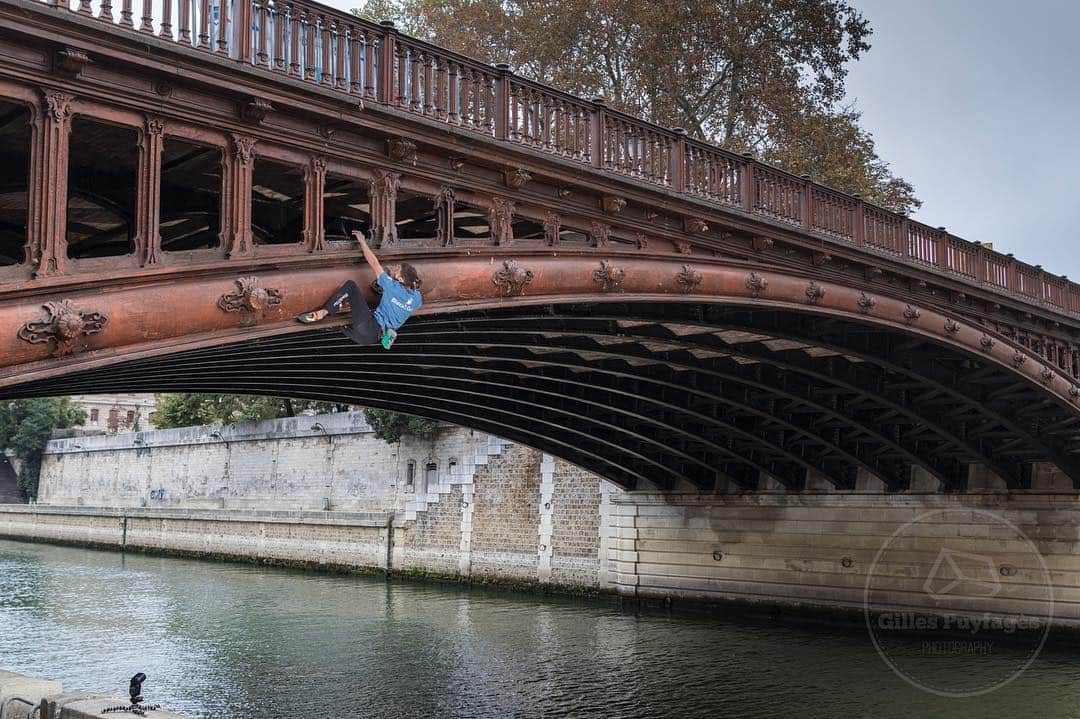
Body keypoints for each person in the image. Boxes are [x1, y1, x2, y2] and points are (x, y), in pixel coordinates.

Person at [297, 230, 422, 348]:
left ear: (400, 280)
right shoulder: (417, 299)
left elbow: (374, 262)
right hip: (369, 339)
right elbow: (409, 292)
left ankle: (323, 312)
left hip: (368, 327)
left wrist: (362, 241)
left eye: (397, 270)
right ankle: (329, 323)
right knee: (340, 323)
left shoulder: (391, 286)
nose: (395, 269)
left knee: (351, 286)